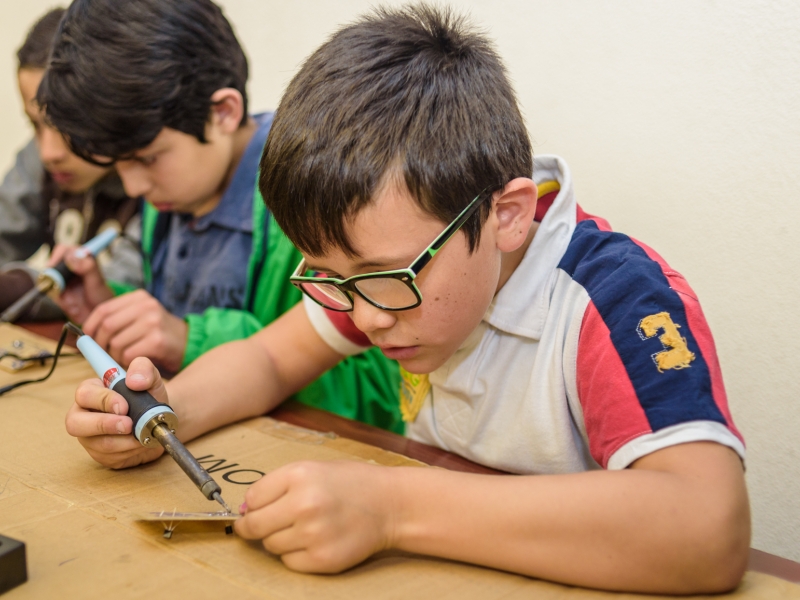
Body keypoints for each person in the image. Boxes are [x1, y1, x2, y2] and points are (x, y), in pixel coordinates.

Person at [65, 4, 750, 594]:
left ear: (507, 215)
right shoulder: (380, 279)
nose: (362, 317)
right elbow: (268, 363)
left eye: (384, 276)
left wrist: (392, 509)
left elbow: (706, 526)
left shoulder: (613, 299)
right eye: (330, 277)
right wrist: (161, 414)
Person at [39, 0, 401, 431]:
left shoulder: (312, 196)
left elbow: (384, 396)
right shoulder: (172, 193)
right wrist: (107, 306)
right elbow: (169, 323)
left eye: (147, 159)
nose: (134, 188)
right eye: (118, 164)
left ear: (223, 112)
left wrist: (190, 341)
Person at [0, 7, 141, 320]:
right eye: (35, 125)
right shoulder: (38, 159)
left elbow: (115, 294)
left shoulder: (151, 181)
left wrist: (19, 285)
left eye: (67, 126)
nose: (49, 152)